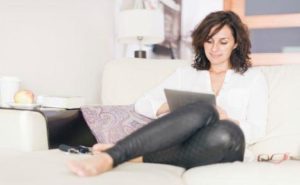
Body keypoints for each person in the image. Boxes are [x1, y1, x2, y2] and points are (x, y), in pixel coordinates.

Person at [67, 10, 268, 177]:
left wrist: (228, 118)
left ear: (235, 44)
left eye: (223, 42)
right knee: (205, 109)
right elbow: (142, 104)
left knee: (224, 129)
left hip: (227, 143)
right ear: (202, 42)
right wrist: (178, 108)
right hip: (188, 145)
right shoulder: (186, 74)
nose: (214, 48)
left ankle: (124, 154)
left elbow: (258, 130)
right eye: (209, 41)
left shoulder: (253, 78)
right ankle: (111, 156)